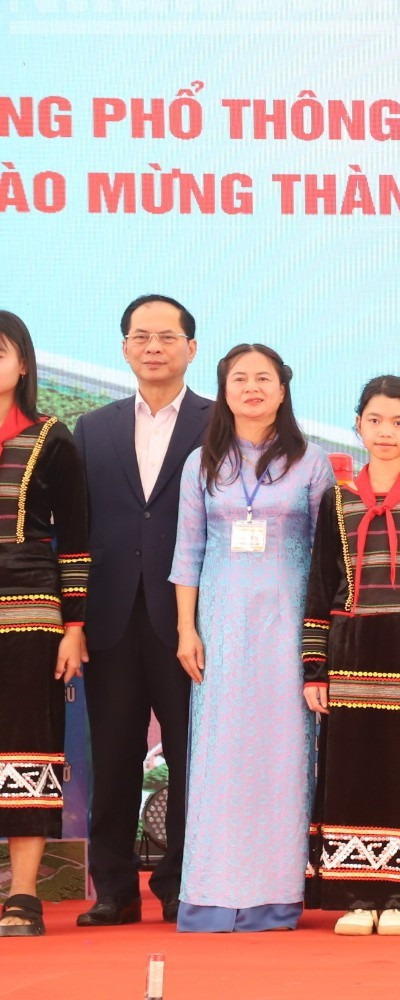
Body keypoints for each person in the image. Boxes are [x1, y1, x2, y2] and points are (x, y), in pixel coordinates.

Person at [169, 344, 336, 932]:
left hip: (288, 624)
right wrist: (187, 628)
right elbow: (187, 552)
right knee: (220, 754)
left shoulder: (312, 462)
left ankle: (274, 895)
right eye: (239, 378)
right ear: (223, 390)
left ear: (283, 390)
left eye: (263, 378)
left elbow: (325, 558)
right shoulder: (201, 463)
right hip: (220, 624)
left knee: (283, 753)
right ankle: (212, 895)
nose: (252, 388)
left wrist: (321, 640)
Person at [302, 376, 400, 936]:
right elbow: (321, 587)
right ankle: (357, 893)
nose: (386, 432)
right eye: (375, 421)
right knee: (352, 771)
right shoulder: (335, 499)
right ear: (358, 426)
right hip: (349, 657)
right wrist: (313, 669)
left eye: (398, 422)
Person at [70, 294, 209, 927]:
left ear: (191, 348)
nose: (153, 346)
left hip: (189, 621)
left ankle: (180, 883)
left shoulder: (218, 424)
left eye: (166, 336)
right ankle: (114, 887)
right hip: (111, 619)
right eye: (140, 336)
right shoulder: (91, 429)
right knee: (116, 755)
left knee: (189, 758)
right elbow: (78, 525)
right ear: (124, 348)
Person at [0, 313, 89, 939]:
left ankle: (24, 896)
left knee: (26, 744)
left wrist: (73, 625)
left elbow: (78, 545)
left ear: (23, 364)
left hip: (30, 614)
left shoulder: (52, 438)